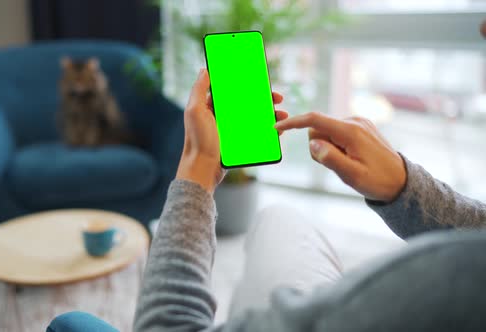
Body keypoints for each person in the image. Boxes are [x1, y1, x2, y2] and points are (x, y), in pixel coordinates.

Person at [133, 69, 486, 332]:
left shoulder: (451, 279)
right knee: (278, 218)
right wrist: (406, 185)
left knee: (76, 323)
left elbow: (167, 325)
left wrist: (197, 169)